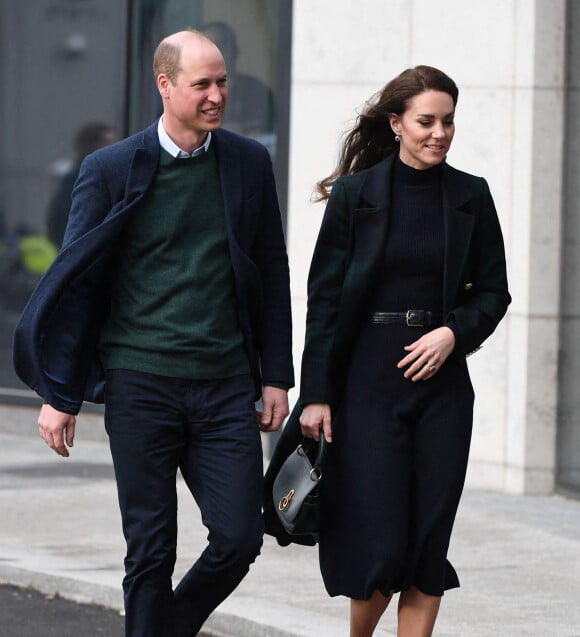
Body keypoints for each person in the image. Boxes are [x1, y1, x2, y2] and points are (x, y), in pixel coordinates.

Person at [13, 29, 293, 637]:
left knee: (240, 537)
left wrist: (276, 374)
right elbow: (77, 282)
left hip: (224, 386)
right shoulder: (111, 168)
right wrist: (60, 393)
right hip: (142, 385)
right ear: (164, 86)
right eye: (203, 84)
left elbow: (271, 269)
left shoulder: (247, 161)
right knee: (150, 550)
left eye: (223, 82)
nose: (218, 94)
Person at [292, 66, 510, 636]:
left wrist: (453, 334)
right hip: (367, 383)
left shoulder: (471, 196)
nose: (439, 132)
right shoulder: (355, 195)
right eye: (426, 121)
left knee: (429, 540)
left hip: (442, 386)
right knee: (381, 541)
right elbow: (325, 301)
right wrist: (316, 394)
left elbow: (494, 292)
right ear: (396, 124)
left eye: (448, 121)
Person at [46, 122, 116, 249]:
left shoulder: (103, 174)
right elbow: (62, 220)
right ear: (91, 146)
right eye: (107, 143)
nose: (114, 147)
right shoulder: (80, 178)